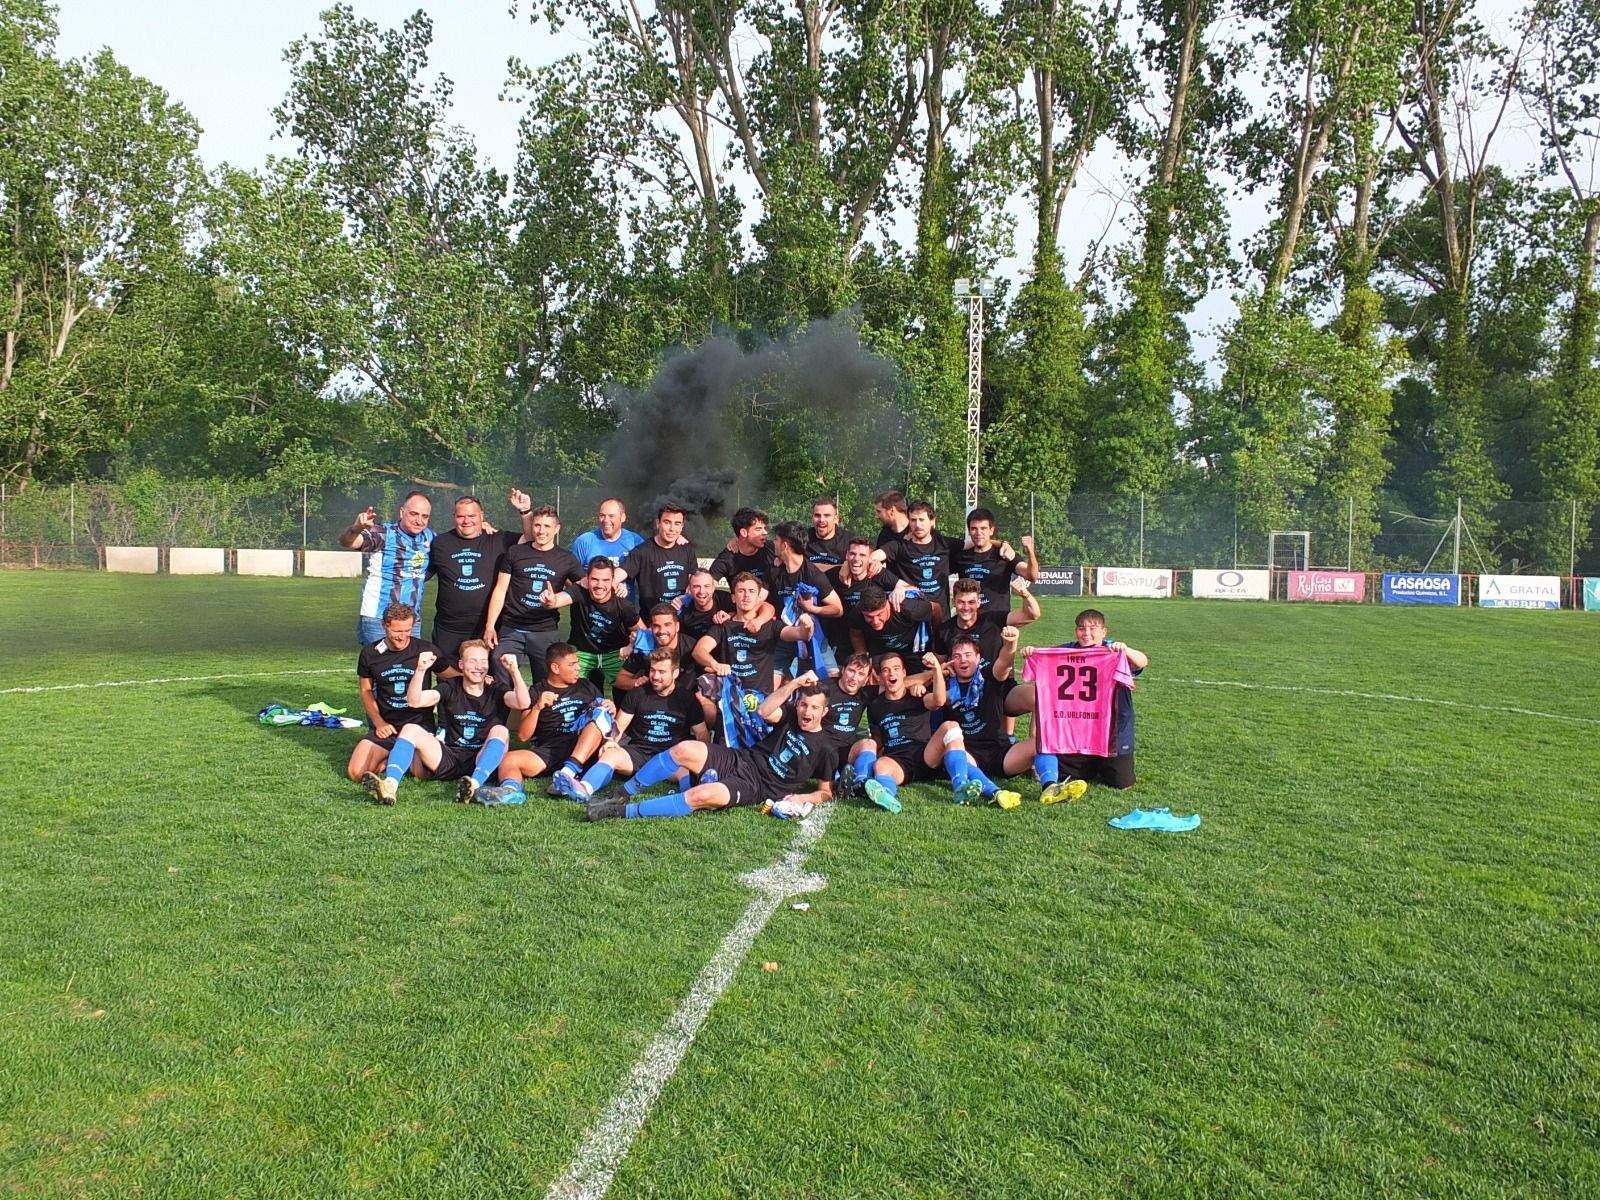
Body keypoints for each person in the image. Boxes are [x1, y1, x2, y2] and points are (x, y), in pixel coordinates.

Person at [585, 673, 838, 820]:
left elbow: (826, 792)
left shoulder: (826, 748)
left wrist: (804, 797)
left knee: (700, 797)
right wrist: (794, 685)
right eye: (804, 705)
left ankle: (621, 811)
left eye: (815, 707)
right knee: (685, 749)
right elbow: (763, 710)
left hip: (757, 786)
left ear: (824, 712)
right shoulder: (792, 716)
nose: (807, 711)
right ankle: (623, 792)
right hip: (742, 759)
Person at [529, 647, 711, 804]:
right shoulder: (638, 693)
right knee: (611, 753)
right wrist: (610, 741)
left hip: (670, 757)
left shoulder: (686, 698)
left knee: (686, 769)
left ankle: (691, 793)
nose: (655, 676)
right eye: (652, 670)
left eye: (662, 672)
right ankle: (583, 788)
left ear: (675, 673)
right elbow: (619, 726)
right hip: (638, 754)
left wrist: (702, 760)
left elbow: (701, 733)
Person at [361, 639, 529, 805]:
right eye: (473, 661)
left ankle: (474, 784)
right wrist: (420, 670)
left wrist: (514, 671)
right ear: (461, 665)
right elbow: (415, 701)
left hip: (482, 758)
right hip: (450, 757)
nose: (479, 667)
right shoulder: (450, 687)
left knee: (500, 730)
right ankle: (390, 785)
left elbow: (523, 703)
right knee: (410, 729)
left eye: (483, 661)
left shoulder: (496, 688)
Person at [1028, 608, 1149, 799]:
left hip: (1113, 730)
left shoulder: (1113, 651)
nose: (1087, 634)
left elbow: (1142, 662)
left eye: (1093, 628)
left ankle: (1104, 765)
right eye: (1081, 629)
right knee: (1066, 775)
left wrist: (1126, 650)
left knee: (1122, 783)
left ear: (1104, 632)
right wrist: (1033, 653)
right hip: (1078, 730)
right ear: (1076, 631)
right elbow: (1046, 661)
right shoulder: (1067, 650)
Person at [490, 643, 610, 801]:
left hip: (583, 746)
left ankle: (568, 772)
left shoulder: (586, 685)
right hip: (550, 749)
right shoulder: (536, 691)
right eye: (572, 664)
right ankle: (510, 791)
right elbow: (523, 736)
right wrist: (537, 707)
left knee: (600, 714)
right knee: (508, 759)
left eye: (577, 663)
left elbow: (604, 718)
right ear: (555, 668)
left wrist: (610, 706)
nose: (578, 668)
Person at [428, 490, 536, 662]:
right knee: (448, 680)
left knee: (490, 681)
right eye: (461, 516)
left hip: (488, 628)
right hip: (449, 629)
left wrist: (525, 512)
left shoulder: (498, 539)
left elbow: (531, 539)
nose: (466, 521)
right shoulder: (440, 543)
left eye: (472, 515)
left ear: (481, 516)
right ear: (454, 517)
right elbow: (422, 573)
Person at [482, 505, 584, 683]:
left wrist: (558, 600)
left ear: (557, 529)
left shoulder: (566, 559)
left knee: (548, 682)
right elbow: (500, 589)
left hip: (544, 631)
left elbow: (583, 586)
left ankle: (539, 711)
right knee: (501, 674)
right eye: (537, 525)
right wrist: (490, 626)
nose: (541, 531)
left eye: (547, 526)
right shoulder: (515, 552)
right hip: (511, 628)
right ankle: (504, 710)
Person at [844, 649, 951, 814]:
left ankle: (963, 783)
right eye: (886, 670)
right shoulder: (875, 706)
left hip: (926, 756)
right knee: (881, 765)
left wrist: (936, 669)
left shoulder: (917, 694)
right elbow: (878, 737)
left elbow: (939, 700)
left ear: (904, 673)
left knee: (950, 727)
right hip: (898, 762)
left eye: (895, 669)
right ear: (880, 677)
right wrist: (871, 759)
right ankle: (887, 796)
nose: (891, 673)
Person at [936, 629, 1033, 808]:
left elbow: (1004, 661)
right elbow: (931, 700)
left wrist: (1011, 643)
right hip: (968, 754)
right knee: (952, 750)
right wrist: (936, 672)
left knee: (1041, 742)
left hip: (1001, 754)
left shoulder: (990, 677)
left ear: (979, 658)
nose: (963, 660)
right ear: (951, 661)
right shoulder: (944, 689)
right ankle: (995, 792)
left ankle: (1051, 785)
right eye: (957, 656)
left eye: (968, 655)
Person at [347, 602, 438, 785]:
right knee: (355, 773)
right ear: (384, 625)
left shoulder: (425, 649)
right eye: (397, 631)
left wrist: (481, 677)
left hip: (419, 728)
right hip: (387, 728)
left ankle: (393, 759)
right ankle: (390, 758)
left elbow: (449, 674)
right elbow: (365, 690)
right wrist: (379, 723)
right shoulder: (370, 653)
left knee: (422, 773)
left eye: (407, 630)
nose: (403, 637)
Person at [692, 572, 815, 701]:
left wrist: (807, 626)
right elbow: (699, 651)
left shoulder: (771, 626)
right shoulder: (723, 626)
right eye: (741, 591)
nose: (746, 596)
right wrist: (715, 665)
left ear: (758, 598)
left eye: (751, 591)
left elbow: (800, 634)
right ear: (733, 598)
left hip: (760, 698)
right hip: (731, 696)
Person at [341, 491, 434, 647]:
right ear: (402, 512)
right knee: (382, 667)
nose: (419, 520)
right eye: (413, 514)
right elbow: (349, 542)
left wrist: (481, 527)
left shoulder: (429, 537)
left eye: (424, 516)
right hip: (379, 619)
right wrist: (356, 528)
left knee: (411, 668)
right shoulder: (384, 533)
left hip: (412, 620)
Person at [539, 558, 642, 692]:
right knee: (564, 683)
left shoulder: (623, 604)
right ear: (587, 579)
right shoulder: (579, 591)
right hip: (582, 653)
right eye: (594, 579)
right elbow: (557, 600)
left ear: (612, 581)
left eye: (605, 580)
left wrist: (630, 645)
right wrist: (550, 601)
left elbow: (642, 632)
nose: (599, 585)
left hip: (615, 653)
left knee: (632, 686)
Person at [768, 521, 843, 678]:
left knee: (832, 681)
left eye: (776, 539)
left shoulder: (813, 574)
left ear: (785, 545)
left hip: (814, 639)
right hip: (785, 636)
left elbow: (838, 609)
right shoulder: (776, 571)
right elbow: (761, 598)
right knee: (771, 687)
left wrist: (811, 609)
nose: (773, 542)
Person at [932, 577, 1041, 667]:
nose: (966, 607)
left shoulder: (993, 619)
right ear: (953, 602)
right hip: (960, 688)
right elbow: (941, 666)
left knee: (1029, 692)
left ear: (979, 603)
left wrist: (1025, 594)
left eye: (971, 602)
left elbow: (1032, 615)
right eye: (961, 602)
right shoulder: (944, 630)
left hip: (995, 683)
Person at [824, 537, 902, 664]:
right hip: (841, 641)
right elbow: (813, 576)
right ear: (847, 555)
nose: (856, 559)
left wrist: (899, 588)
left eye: (862, 555)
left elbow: (909, 588)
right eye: (853, 554)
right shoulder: (835, 575)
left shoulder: (879, 574)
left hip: (874, 642)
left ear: (870, 558)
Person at [880, 500, 964, 616]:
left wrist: (998, 545)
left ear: (932, 521)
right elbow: (872, 558)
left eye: (922, 520)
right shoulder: (899, 545)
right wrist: (898, 583)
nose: (918, 525)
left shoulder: (945, 543)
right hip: (911, 618)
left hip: (940, 618)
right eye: (913, 520)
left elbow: (978, 542)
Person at [950, 508, 1039, 614]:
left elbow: (1032, 576)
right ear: (969, 531)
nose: (979, 533)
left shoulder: (1004, 554)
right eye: (974, 528)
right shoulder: (961, 556)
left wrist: (1030, 552)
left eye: (983, 528)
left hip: (997, 622)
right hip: (969, 622)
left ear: (991, 530)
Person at [617, 503, 697, 611]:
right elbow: (618, 575)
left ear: (682, 526)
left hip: (681, 619)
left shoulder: (687, 549)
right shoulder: (642, 551)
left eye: (677, 523)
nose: (672, 528)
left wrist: (686, 597)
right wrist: (617, 584)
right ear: (658, 523)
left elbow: (695, 582)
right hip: (652, 623)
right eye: (667, 522)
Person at [850, 582, 936, 660]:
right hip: (880, 651)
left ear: (887, 606)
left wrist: (937, 644)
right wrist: (862, 658)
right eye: (869, 617)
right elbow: (856, 635)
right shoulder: (856, 614)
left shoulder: (908, 608)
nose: (875, 621)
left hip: (912, 650)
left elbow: (936, 609)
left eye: (879, 614)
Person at [570, 497, 646, 574]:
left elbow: (646, 572)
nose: (606, 520)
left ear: (623, 517)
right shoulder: (584, 541)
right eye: (602, 515)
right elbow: (569, 574)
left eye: (611, 516)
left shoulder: (634, 541)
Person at [709, 507, 775, 590]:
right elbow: (706, 586)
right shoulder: (728, 558)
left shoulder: (771, 548)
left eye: (765, 528)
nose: (765, 532)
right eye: (758, 529)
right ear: (743, 532)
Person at [675, 569, 736, 644]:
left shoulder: (726, 599)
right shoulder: (683, 612)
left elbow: (749, 613)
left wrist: (730, 616)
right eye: (696, 586)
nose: (702, 591)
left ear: (713, 588)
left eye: (706, 586)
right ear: (689, 589)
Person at [805, 498, 855, 578]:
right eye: (817, 515)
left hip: (839, 587)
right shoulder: (802, 538)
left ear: (836, 519)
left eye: (827, 515)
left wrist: (848, 565)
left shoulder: (849, 540)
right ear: (812, 518)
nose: (821, 520)